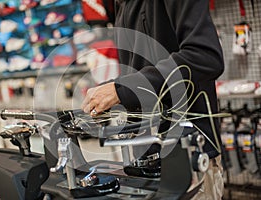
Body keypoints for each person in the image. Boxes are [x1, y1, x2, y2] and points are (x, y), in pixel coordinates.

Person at [82, 0, 224, 199]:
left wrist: (121, 89)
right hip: (146, 161)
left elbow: (205, 57)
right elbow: (143, 65)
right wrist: (111, 91)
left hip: (187, 159)